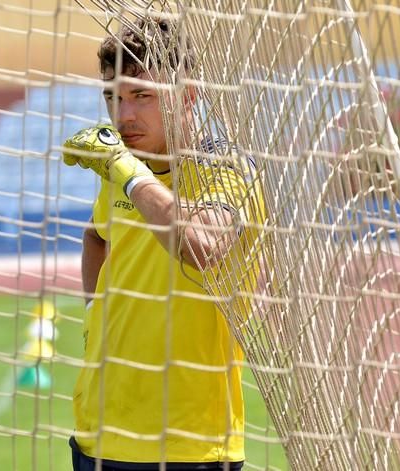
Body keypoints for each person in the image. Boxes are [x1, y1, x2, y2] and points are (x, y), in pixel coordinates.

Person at [62, 16, 264, 471]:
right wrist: (96, 311)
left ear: (188, 94)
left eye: (141, 96)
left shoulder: (229, 170)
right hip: (97, 436)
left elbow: (200, 246)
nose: (123, 116)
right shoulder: (122, 171)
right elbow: (96, 236)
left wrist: (128, 173)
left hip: (189, 447)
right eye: (112, 97)